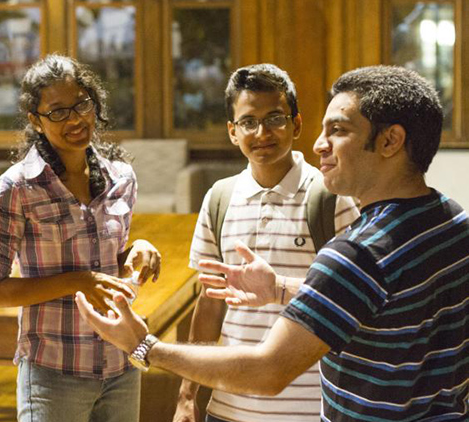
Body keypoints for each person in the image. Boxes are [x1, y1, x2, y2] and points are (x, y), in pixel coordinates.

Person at [76, 65, 469, 421]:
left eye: (338, 130)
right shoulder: (453, 220)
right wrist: (281, 288)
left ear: (390, 141)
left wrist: (145, 346)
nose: (320, 145)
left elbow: (268, 372)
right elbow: (380, 302)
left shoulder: (357, 254)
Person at [0, 54, 162, 422]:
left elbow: (106, 257)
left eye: (82, 105)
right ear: (36, 121)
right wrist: (77, 282)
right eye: (58, 112)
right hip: (53, 372)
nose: (75, 119)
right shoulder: (16, 187)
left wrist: (136, 249)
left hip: (121, 362)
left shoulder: (120, 177)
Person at [173, 64, 359, 422]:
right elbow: (210, 306)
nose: (262, 133)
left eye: (275, 118)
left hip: (309, 408)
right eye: (248, 122)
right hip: (228, 407)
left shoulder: (330, 197)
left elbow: (347, 299)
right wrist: (187, 394)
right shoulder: (219, 198)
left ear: (297, 124)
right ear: (232, 131)